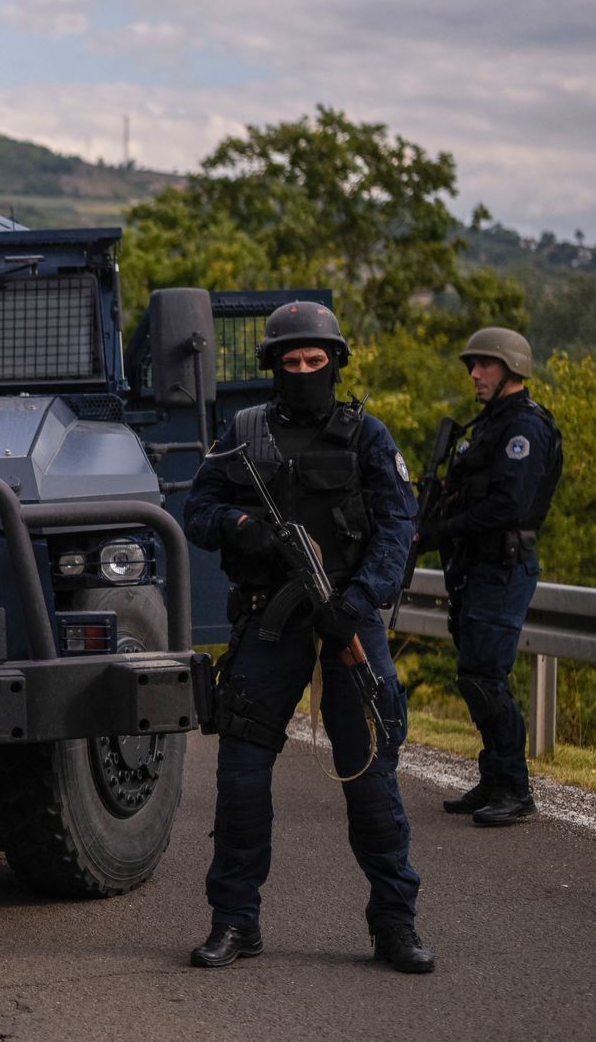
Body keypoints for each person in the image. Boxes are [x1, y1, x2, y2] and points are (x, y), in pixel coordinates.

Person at [184, 302, 434, 974]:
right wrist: (242, 526)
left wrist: (354, 602)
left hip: (347, 620)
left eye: (313, 360)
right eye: (289, 362)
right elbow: (196, 511)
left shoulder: (366, 436)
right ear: (272, 365)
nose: (302, 372)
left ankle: (394, 923)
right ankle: (235, 922)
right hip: (268, 621)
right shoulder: (244, 434)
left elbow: (397, 529)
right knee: (240, 782)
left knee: (371, 783)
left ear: (334, 361)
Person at [419, 328, 562, 827]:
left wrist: (441, 531)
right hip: (475, 567)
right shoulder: (487, 425)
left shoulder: (525, 428)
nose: (475, 374)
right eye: (472, 365)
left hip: (503, 567)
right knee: (474, 673)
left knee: (484, 676)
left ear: (511, 370)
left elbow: (509, 505)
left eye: (485, 365)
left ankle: (515, 789)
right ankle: (496, 777)